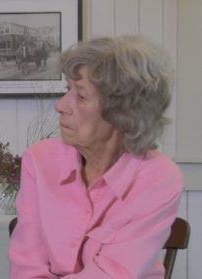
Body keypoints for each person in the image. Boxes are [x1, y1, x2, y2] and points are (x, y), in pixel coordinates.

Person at [9, 35, 183, 278]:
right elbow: (27, 266)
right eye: (67, 89)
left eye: (80, 96)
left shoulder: (157, 177)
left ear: (122, 112)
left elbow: (112, 274)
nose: (60, 105)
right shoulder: (40, 160)